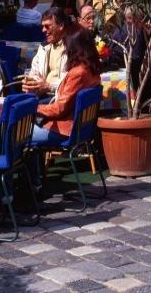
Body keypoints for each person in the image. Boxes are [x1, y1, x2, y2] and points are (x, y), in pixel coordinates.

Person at [29, 28, 102, 186]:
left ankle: (17, 188)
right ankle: (34, 183)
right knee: (25, 136)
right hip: (82, 129)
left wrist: (34, 108)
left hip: (65, 129)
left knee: (15, 135)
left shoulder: (78, 73)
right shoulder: (93, 70)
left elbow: (59, 108)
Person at [22, 8, 71, 98]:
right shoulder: (44, 47)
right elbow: (34, 72)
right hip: (42, 96)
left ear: (61, 26)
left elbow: (71, 83)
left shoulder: (72, 48)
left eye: (47, 26)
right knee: (12, 105)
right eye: (43, 26)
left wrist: (49, 86)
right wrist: (31, 83)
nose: (43, 30)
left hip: (60, 99)